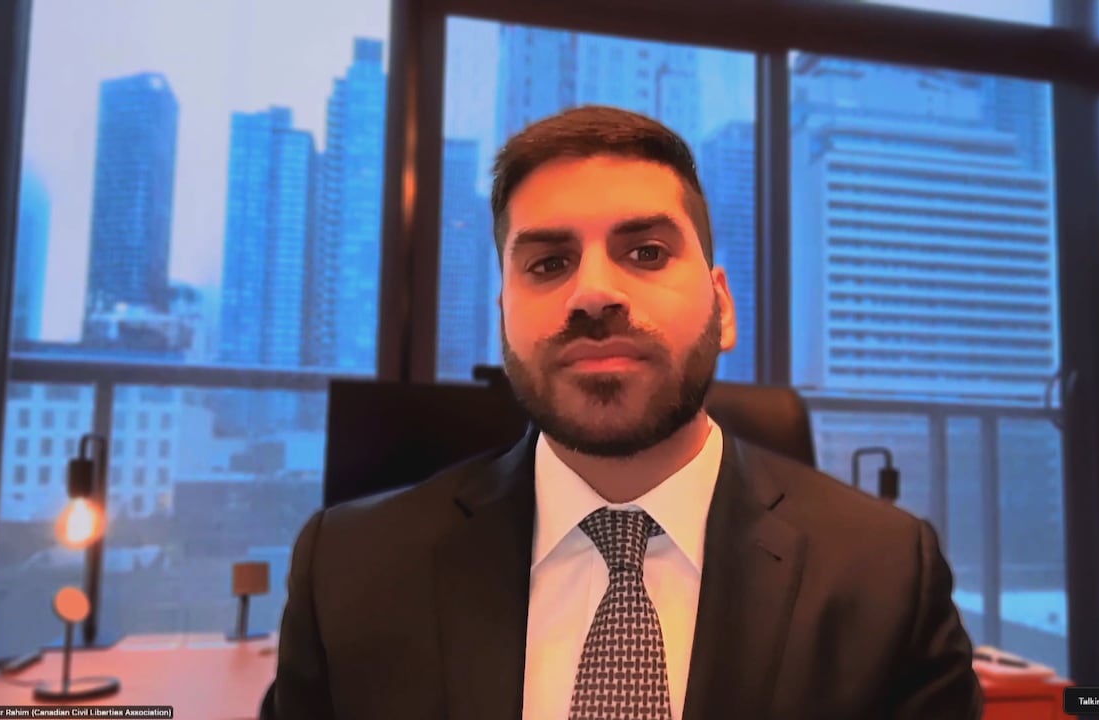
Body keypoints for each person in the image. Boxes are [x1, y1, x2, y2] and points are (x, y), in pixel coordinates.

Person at [264, 105, 983, 719]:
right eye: (547, 264)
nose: (594, 294)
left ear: (723, 308)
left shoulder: (887, 575)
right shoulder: (348, 571)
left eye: (645, 251)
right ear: (503, 318)